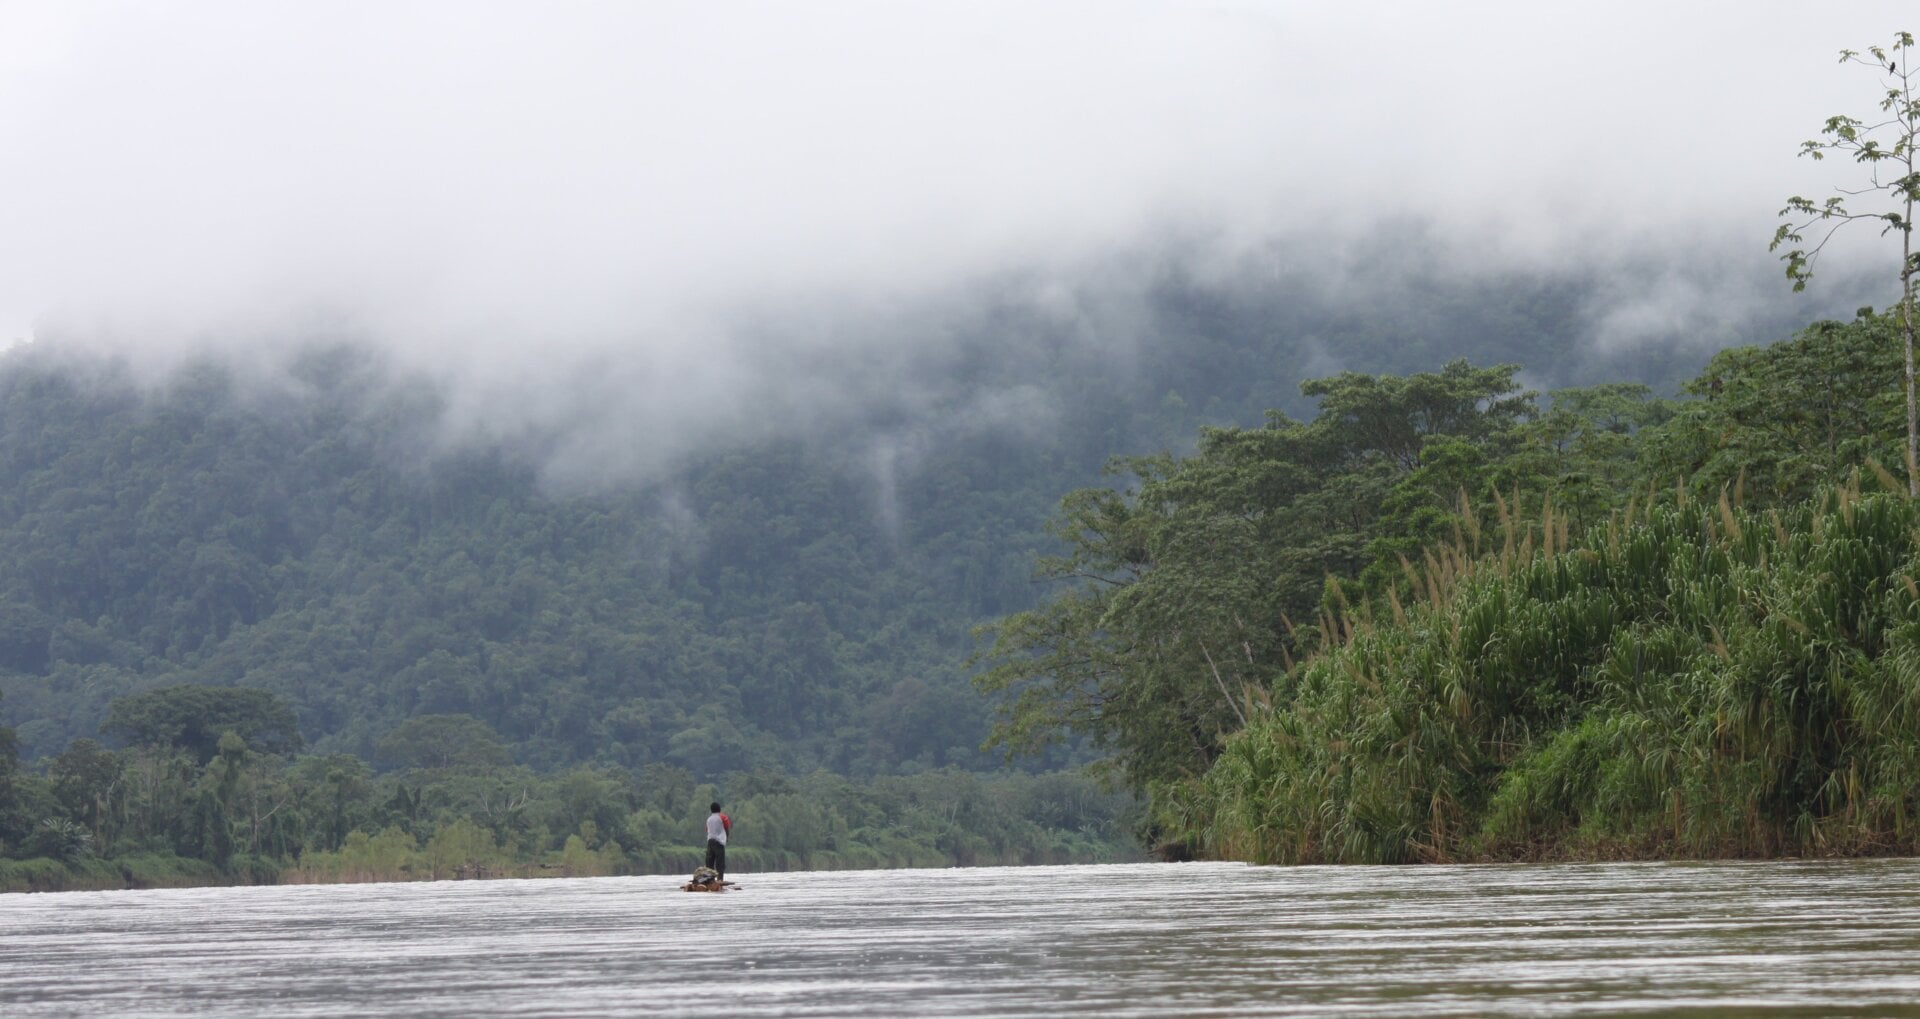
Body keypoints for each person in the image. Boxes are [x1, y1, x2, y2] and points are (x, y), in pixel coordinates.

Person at [704, 801, 731, 880]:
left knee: (709, 863)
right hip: (719, 842)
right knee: (720, 863)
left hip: (710, 842)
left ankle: (709, 880)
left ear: (711, 810)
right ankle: (720, 880)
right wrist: (727, 837)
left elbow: (707, 830)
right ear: (719, 809)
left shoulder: (708, 819)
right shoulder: (723, 817)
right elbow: (726, 828)